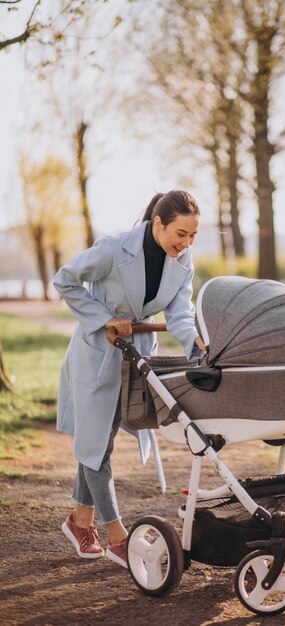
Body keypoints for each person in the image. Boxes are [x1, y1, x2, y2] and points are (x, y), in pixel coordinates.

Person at [53, 190, 205, 568]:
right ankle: (118, 536)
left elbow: (180, 314)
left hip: (136, 356)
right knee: (97, 443)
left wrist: (199, 348)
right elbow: (66, 279)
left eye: (192, 236)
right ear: (158, 223)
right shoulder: (114, 248)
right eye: (180, 234)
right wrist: (105, 317)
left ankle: (79, 522)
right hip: (97, 355)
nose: (185, 243)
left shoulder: (183, 261)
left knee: (99, 438)